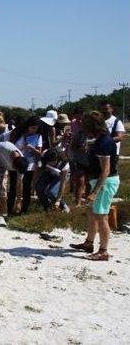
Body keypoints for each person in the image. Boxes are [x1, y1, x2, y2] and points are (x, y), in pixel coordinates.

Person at [70, 111, 120, 261]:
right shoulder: (99, 140)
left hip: (105, 183)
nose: (81, 127)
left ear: (91, 126)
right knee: (92, 213)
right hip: (97, 181)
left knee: (101, 216)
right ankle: (89, 243)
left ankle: (103, 251)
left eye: (84, 124)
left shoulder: (104, 142)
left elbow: (106, 170)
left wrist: (94, 192)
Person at [12, 116, 43, 214]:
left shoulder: (38, 136)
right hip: (20, 163)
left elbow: (39, 152)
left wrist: (31, 148)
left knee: (27, 186)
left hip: (31, 165)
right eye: (32, 127)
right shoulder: (20, 135)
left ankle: (24, 209)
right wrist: (22, 149)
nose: (34, 130)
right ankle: (17, 204)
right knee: (18, 184)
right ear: (28, 126)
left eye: (36, 128)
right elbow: (14, 149)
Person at [35, 148, 70, 213]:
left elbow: (62, 184)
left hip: (60, 175)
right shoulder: (44, 154)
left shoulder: (65, 164)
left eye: (51, 162)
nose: (49, 163)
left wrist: (58, 200)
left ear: (57, 160)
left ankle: (64, 207)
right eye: (48, 161)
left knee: (51, 192)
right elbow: (39, 168)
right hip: (48, 172)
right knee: (39, 188)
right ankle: (47, 209)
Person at [68, 107, 89, 207]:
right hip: (80, 159)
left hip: (91, 160)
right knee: (80, 181)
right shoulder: (79, 133)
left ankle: (88, 200)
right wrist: (78, 148)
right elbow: (73, 145)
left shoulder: (94, 134)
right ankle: (78, 202)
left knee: (89, 182)